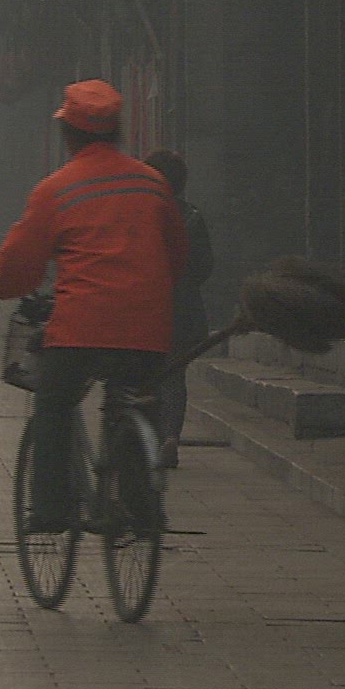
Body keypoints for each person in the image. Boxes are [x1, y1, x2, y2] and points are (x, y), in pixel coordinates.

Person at [0, 80, 185, 532]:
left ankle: (52, 510)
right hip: (147, 330)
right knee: (134, 399)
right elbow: (177, 255)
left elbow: (19, 265)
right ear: (117, 131)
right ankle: (142, 505)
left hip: (81, 329)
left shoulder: (57, 190)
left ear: (67, 135)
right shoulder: (153, 185)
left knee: (54, 405)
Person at [144, 149, 214, 469]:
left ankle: (148, 438)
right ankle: (170, 436)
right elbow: (204, 266)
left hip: (146, 310)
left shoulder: (142, 214)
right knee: (174, 377)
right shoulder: (192, 217)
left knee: (146, 376)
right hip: (183, 312)